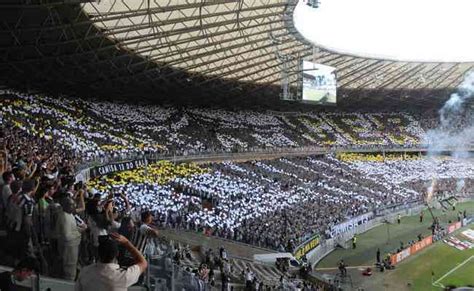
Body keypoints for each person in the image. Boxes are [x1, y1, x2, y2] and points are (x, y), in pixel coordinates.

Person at [75, 233, 148, 291]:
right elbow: (143, 262)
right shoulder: (124, 276)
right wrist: (126, 242)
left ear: (98, 253)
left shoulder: (85, 272)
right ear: (117, 254)